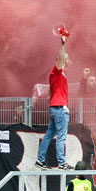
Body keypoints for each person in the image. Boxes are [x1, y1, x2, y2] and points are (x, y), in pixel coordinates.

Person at [35, 33, 71, 170]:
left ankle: (40, 159)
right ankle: (62, 162)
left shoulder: (59, 75)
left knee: (50, 134)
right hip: (60, 108)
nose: (67, 60)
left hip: (55, 107)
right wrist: (63, 44)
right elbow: (60, 57)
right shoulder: (55, 72)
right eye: (65, 59)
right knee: (61, 136)